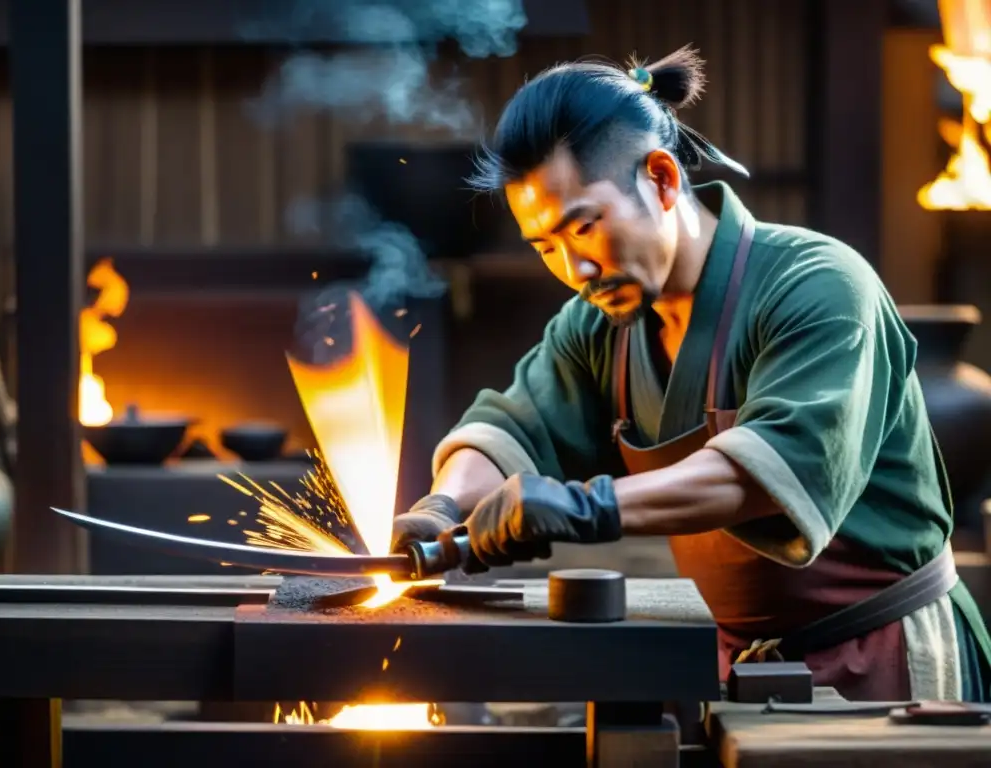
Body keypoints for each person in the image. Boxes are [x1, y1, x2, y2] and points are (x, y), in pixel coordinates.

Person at [390, 46, 991, 702]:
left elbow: (764, 471)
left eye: (584, 227)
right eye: (545, 247)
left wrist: (584, 506)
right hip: (734, 664)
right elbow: (511, 425)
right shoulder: (597, 324)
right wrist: (442, 505)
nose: (574, 269)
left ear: (663, 178)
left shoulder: (818, 284)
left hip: (886, 659)